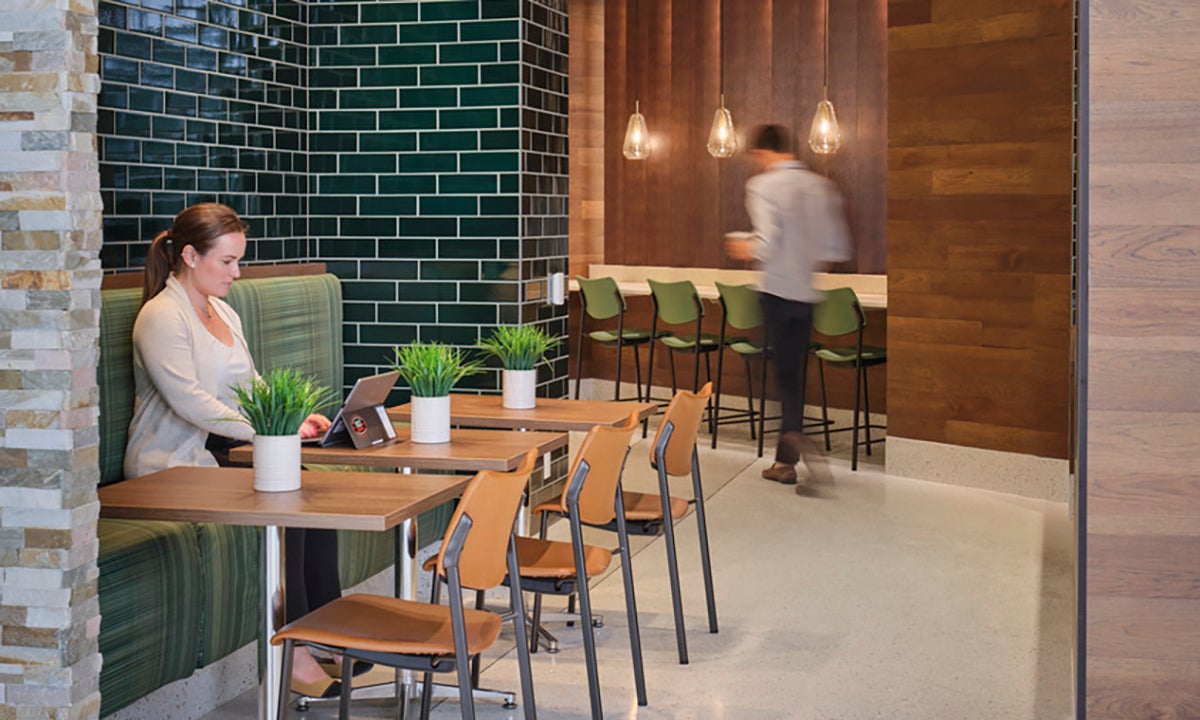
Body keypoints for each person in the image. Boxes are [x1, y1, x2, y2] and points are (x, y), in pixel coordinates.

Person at [124, 203, 349, 697]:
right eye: (226, 262)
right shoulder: (160, 317)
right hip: (168, 469)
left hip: (217, 458)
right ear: (188, 255)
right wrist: (267, 433)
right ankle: (295, 654)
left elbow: (251, 384)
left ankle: (321, 628)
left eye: (238, 261)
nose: (236, 272)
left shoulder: (222, 310)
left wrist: (291, 416)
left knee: (311, 494)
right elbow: (191, 404)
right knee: (284, 508)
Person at [725, 125, 852, 490]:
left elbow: (764, 244)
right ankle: (787, 454)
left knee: (779, 377)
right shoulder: (820, 186)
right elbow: (835, 248)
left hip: (776, 293)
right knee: (792, 377)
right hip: (808, 295)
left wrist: (742, 245)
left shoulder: (764, 186)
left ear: (762, 153)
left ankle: (790, 448)